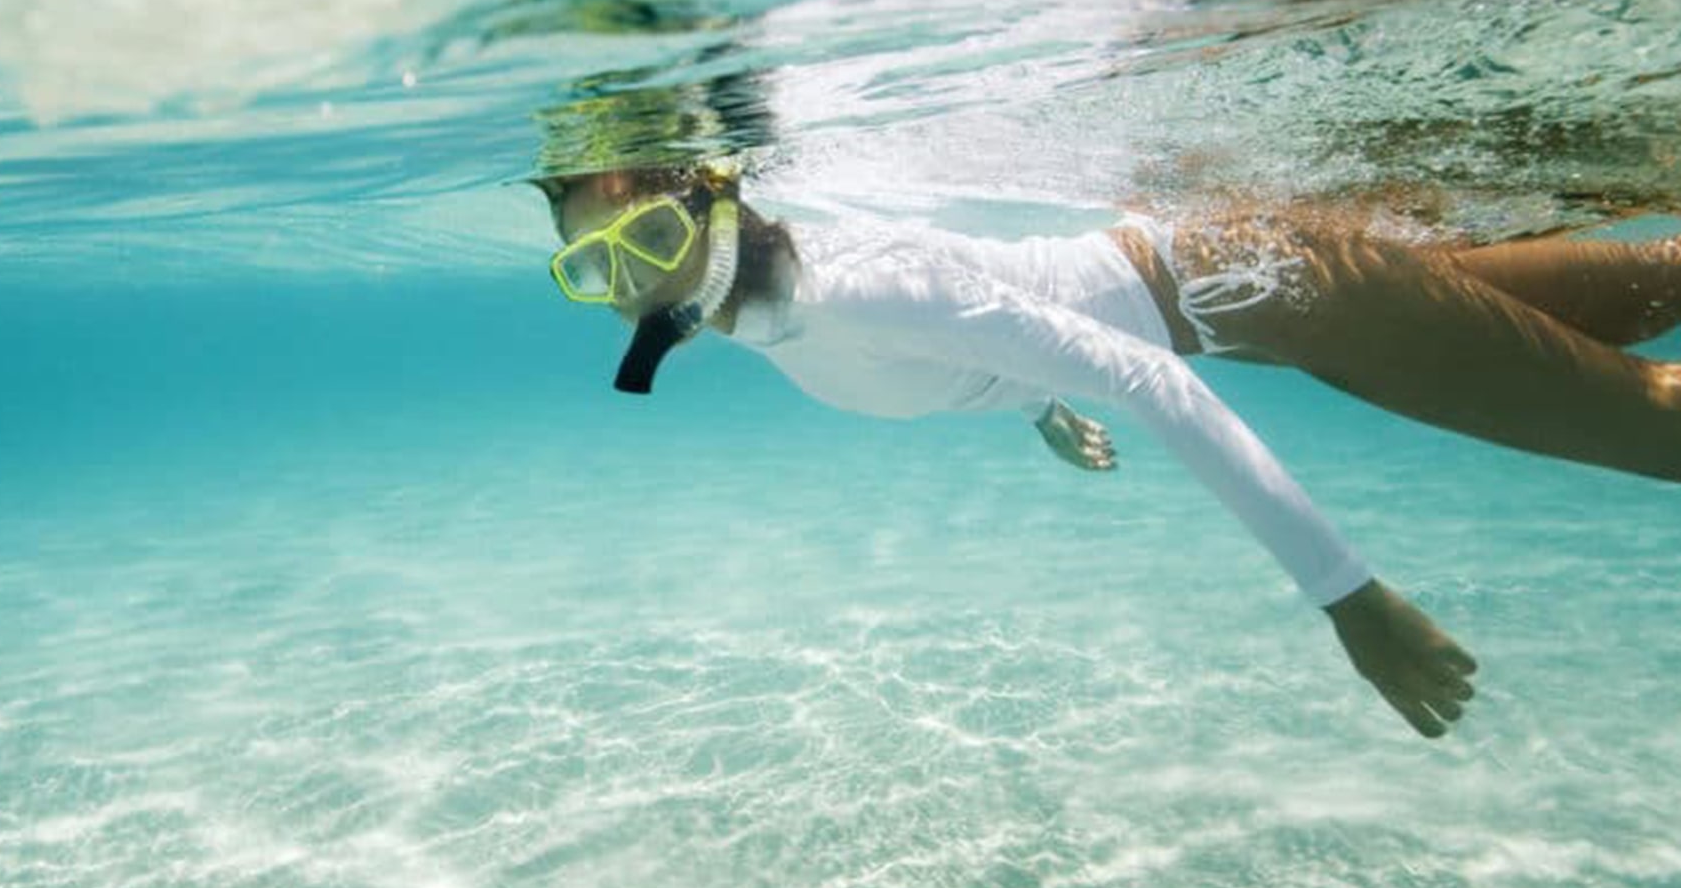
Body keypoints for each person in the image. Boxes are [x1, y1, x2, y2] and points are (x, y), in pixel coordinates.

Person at [538, 163, 1681, 739]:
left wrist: (1349, 599)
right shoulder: (781, 311)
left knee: (1652, 427)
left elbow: (1143, 375)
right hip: (1249, 290)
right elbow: (995, 325)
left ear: (714, 205)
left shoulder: (848, 291)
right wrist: (1037, 406)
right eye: (594, 267)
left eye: (650, 236)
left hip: (1267, 288)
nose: (634, 283)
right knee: (1652, 286)